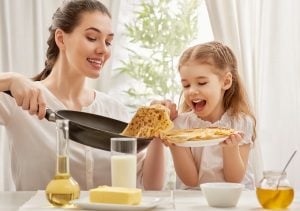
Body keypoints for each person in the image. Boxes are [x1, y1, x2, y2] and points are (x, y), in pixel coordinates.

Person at [0, 0, 165, 191]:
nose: (103, 49)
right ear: (61, 39)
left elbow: (149, 186)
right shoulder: (20, 101)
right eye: (92, 37)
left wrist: (158, 133)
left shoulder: (113, 111)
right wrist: (10, 79)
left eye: (108, 41)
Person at [162, 41, 256, 190]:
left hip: (232, 201)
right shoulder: (181, 125)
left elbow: (234, 180)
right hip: (194, 201)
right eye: (186, 85)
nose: (192, 91)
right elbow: (190, 181)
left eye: (202, 82)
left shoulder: (241, 123)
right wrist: (174, 144)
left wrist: (230, 149)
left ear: (225, 82)